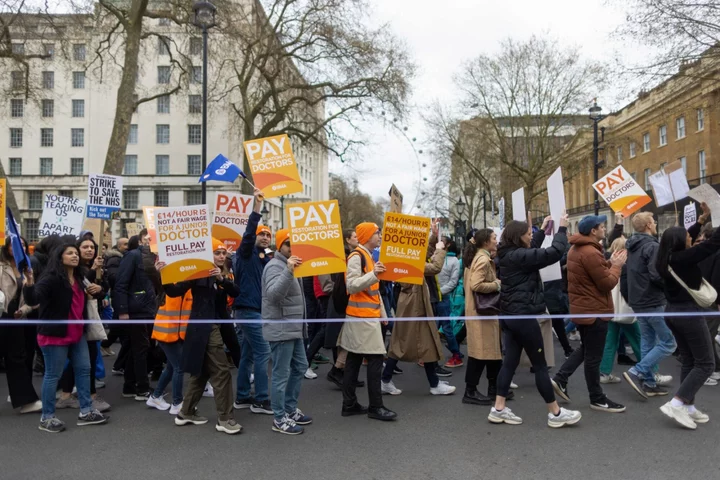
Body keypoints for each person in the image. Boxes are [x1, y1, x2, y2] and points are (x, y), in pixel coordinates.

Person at [490, 216, 581, 428]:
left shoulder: (508, 254)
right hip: (523, 317)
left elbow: (532, 251)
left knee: (510, 363)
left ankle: (499, 408)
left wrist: (541, 230)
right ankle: (555, 413)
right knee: (540, 366)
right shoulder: (519, 255)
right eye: (528, 233)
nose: (531, 236)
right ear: (518, 236)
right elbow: (553, 253)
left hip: (510, 316)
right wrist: (561, 230)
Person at [23, 243, 108, 433]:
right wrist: (29, 281)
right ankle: (47, 417)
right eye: (70, 253)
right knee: (53, 376)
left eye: (76, 253)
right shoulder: (51, 278)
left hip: (77, 335)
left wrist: (98, 289)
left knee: (85, 370)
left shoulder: (79, 277)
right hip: (54, 335)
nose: (75, 256)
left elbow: (98, 292)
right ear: (59, 257)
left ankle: (86, 412)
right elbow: (33, 299)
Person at [551, 214, 627, 413]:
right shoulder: (590, 252)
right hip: (595, 310)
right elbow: (606, 283)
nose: (604, 229)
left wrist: (610, 264)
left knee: (586, 349)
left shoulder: (578, 249)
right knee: (594, 357)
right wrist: (617, 267)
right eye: (602, 226)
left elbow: (593, 275)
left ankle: (560, 379)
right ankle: (597, 398)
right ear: (593, 231)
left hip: (585, 308)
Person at [166, 239, 242, 434]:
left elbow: (236, 291)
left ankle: (186, 412)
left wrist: (222, 280)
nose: (221, 256)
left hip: (216, 327)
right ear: (208, 254)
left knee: (201, 372)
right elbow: (174, 291)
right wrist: (163, 273)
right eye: (217, 253)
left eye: (223, 253)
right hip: (205, 329)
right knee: (222, 372)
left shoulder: (222, 274)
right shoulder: (198, 272)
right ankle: (225, 419)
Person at [654, 222, 720, 429]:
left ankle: (688, 407)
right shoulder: (684, 259)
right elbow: (712, 244)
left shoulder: (666, 258)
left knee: (690, 361)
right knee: (706, 363)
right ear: (681, 242)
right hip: (688, 313)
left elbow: (687, 237)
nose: (692, 238)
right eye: (689, 237)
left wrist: (701, 220)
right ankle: (677, 403)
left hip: (672, 312)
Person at [381, 237, 456, 396]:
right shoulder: (410, 263)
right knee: (401, 344)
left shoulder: (404, 259)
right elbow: (435, 267)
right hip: (414, 308)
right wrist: (440, 249)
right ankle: (386, 380)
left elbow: (425, 256)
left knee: (418, 344)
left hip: (413, 307)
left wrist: (433, 240)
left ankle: (433, 383)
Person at [338, 222, 396, 421]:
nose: (380, 236)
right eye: (377, 233)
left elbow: (373, 290)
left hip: (362, 317)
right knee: (376, 360)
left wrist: (382, 313)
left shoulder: (366, 256)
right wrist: (374, 275)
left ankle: (350, 404)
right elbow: (352, 285)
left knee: (354, 360)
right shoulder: (357, 256)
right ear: (367, 236)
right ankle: (375, 407)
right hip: (362, 319)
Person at [262, 229, 312, 434]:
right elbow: (273, 295)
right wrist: (288, 271)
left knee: (300, 366)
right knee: (281, 374)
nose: (293, 247)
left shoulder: (290, 263)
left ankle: (290, 409)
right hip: (281, 329)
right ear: (280, 245)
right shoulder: (275, 265)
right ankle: (279, 417)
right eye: (289, 243)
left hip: (292, 328)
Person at [623, 211, 677, 397]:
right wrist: (670, 287)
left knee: (648, 340)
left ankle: (649, 383)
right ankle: (638, 371)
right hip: (652, 300)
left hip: (638, 300)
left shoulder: (632, 245)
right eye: (653, 222)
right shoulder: (652, 246)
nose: (655, 225)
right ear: (648, 225)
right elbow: (656, 274)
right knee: (669, 342)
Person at [57, 238, 111, 413]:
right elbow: (80, 285)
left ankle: (69, 395)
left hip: (91, 317)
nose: (89, 250)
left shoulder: (100, 267)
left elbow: (101, 292)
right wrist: (93, 270)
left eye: (92, 247)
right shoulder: (76, 271)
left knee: (83, 360)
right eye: (84, 247)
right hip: (78, 319)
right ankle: (89, 397)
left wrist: (100, 289)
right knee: (85, 359)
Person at [233, 188, 273, 415]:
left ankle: (241, 397)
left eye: (268, 235)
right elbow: (248, 234)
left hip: (255, 311)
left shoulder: (264, 259)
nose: (265, 237)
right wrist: (256, 207)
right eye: (261, 234)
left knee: (248, 355)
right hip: (249, 312)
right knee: (263, 353)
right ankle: (260, 399)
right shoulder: (245, 253)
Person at [461, 228, 505, 405]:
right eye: (494, 238)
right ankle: (470, 391)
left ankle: (495, 389)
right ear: (486, 241)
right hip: (481, 313)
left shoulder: (479, 257)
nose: (496, 240)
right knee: (479, 354)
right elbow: (476, 285)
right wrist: (496, 285)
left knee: (491, 352)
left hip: (482, 313)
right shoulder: (483, 259)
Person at [113, 236, 158, 401]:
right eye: (148, 237)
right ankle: (142, 388)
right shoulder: (133, 255)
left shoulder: (156, 258)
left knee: (136, 348)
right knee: (141, 348)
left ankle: (130, 386)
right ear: (142, 240)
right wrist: (123, 310)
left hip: (149, 309)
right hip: (135, 310)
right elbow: (121, 283)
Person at [0, 237, 41, 414]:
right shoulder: (1, 266)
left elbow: (33, 300)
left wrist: (23, 310)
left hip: (16, 318)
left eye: (23, 245)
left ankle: (25, 401)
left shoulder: (27, 269)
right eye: (15, 244)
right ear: (7, 247)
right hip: (2, 314)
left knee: (17, 358)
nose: (19, 247)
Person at [599, 237, 642, 384]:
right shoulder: (628, 263)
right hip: (624, 308)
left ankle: (604, 372)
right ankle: (649, 371)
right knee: (637, 339)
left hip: (610, 307)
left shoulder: (608, 261)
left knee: (610, 341)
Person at [147, 277, 190, 415]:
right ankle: (177, 403)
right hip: (168, 333)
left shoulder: (181, 284)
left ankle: (156, 397)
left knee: (172, 367)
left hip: (171, 333)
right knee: (179, 367)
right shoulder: (171, 284)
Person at [437, 237, 463, 367]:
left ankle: (456, 355)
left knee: (446, 328)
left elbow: (453, 282)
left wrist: (440, 292)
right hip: (433, 297)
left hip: (443, 298)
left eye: (442, 241)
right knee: (432, 327)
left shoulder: (454, 261)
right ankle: (427, 357)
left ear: (447, 246)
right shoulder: (436, 256)